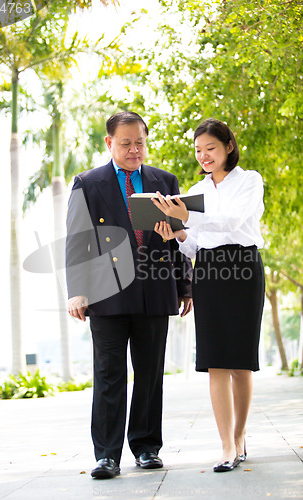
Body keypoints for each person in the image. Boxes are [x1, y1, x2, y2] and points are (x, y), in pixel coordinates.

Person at [66, 111, 193, 479]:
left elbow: (176, 239)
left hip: (155, 292)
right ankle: (107, 455)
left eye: (139, 142)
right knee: (109, 374)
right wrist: (78, 292)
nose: (134, 149)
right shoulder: (87, 183)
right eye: (126, 143)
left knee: (150, 374)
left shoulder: (165, 181)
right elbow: (77, 241)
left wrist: (185, 288)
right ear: (109, 143)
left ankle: (147, 448)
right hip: (106, 297)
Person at [152, 118, 265, 473]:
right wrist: (179, 234)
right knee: (215, 360)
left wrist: (189, 216)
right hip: (210, 270)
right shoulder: (195, 190)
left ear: (229, 145)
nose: (204, 156)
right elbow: (198, 244)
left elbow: (234, 221)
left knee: (240, 362)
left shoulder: (250, 180)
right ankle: (227, 447)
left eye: (210, 148)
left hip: (244, 265)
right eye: (199, 150)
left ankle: (241, 435)